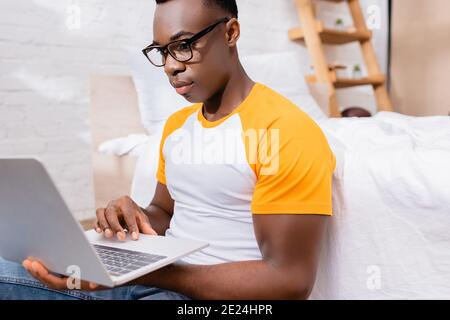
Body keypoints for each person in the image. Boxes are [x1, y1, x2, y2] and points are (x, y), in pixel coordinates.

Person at [0, 0, 336, 300]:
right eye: (162, 51)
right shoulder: (177, 125)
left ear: (231, 32)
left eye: (184, 45)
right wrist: (130, 218)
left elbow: (289, 282)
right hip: (156, 278)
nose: (170, 67)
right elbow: (164, 212)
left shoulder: (285, 130)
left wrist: (149, 274)